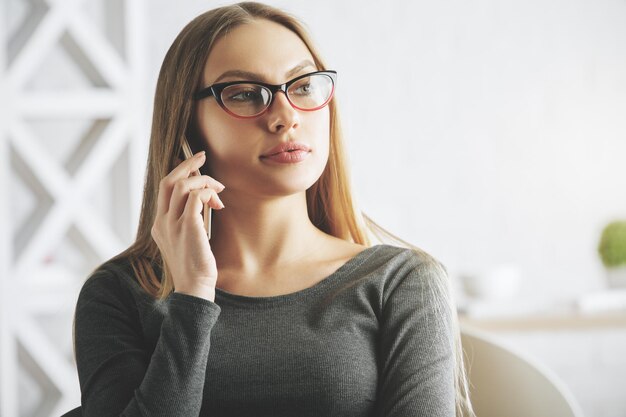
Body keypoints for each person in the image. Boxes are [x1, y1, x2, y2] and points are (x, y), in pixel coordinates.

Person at [73, 2, 474, 416]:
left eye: (302, 86)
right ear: (187, 125)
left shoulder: (401, 283)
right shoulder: (119, 294)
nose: (286, 117)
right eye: (246, 95)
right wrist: (192, 296)